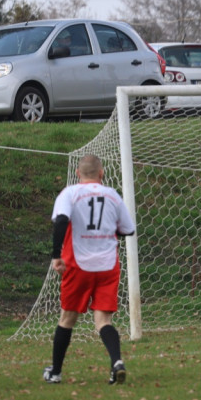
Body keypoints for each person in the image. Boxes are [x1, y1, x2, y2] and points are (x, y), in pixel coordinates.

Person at [43, 154, 135, 385]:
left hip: (78, 264)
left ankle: (55, 372)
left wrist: (56, 256)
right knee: (104, 320)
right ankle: (117, 363)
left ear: (77, 173)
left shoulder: (70, 193)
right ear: (101, 173)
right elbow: (128, 230)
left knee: (67, 318)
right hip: (107, 266)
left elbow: (62, 220)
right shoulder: (112, 195)